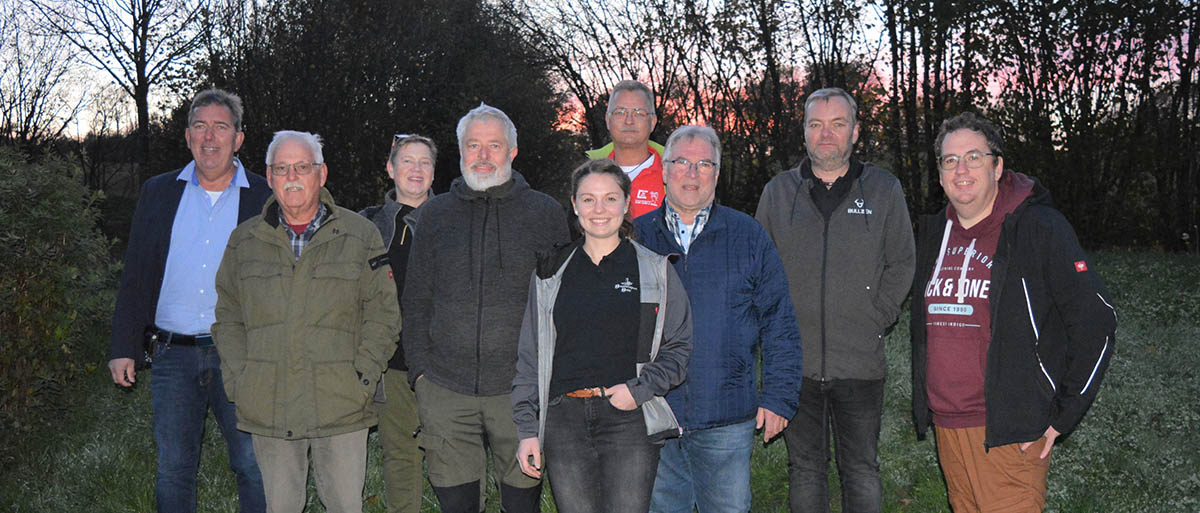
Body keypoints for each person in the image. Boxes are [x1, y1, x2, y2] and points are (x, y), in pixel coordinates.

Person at [911, 112, 1117, 512]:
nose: (962, 169)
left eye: (974, 156)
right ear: (939, 175)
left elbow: (1097, 318)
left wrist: (1062, 416)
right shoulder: (935, 233)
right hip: (949, 429)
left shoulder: (1038, 228)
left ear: (997, 166)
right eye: (950, 160)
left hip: (1009, 431)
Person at [212, 130, 399, 513]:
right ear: (269, 176)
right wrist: (240, 378)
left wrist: (362, 380)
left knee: (346, 506)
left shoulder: (359, 235)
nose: (292, 176)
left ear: (322, 174)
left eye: (302, 167)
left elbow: (384, 314)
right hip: (269, 404)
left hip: (341, 406)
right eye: (281, 168)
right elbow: (228, 315)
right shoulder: (244, 241)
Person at [402, 104, 570, 513]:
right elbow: (416, 298)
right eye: (472, 145)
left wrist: (549, 377)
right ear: (460, 151)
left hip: (519, 392)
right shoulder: (435, 215)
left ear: (512, 151)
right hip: (444, 389)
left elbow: (562, 304)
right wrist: (420, 373)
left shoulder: (545, 213)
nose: (482, 155)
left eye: (494, 145)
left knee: (521, 505)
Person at [755, 87, 915, 513]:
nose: (826, 134)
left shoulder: (883, 190)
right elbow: (759, 270)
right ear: (804, 133)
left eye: (838, 124)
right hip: (794, 362)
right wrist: (774, 330)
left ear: (856, 132)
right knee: (805, 468)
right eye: (816, 125)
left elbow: (902, 263)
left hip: (860, 362)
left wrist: (876, 316)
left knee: (861, 469)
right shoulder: (778, 192)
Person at [107, 88, 268, 513]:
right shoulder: (158, 193)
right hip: (171, 354)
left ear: (239, 139)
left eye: (221, 127)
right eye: (200, 127)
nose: (209, 137)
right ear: (187, 136)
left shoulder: (265, 198)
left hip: (241, 354)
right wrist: (123, 347)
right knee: (174, 468)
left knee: (254, 465)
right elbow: (136, 275)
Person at [635, 125, 803, 513]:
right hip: (655, 412)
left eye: (704, 164)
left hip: (727, 416)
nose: (692, 174)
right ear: (664, 170)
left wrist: (779, 397)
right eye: (682, 163)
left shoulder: (748, 236)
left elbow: (779, 321)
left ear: (717, 172)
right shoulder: (638, 237)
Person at [512, 159, 693, 513]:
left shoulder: (655, 271)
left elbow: (679, 347)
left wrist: (638, 391)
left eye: (610, 199)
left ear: (626, 204)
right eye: (589, 199)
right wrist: (527, 428)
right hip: (563, 420)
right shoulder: (550, 273)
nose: (599, 209)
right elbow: (530, 355)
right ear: (575, 205)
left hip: (628, 418)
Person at [359, 134, 437, 513]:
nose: (416, 170)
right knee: (401, 454)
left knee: (450, 452)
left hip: (441, 364)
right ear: (391, 169)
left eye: (425, 162)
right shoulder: (367, 224)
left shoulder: (451, 219)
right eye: (408, 161)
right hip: (390, 362)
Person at [585, 80, 665, 218]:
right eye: (620, 113)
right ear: (608, 121)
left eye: (639, 113)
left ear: (652, 122)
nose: (629, 121)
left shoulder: (675, 174)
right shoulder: (587, 174)